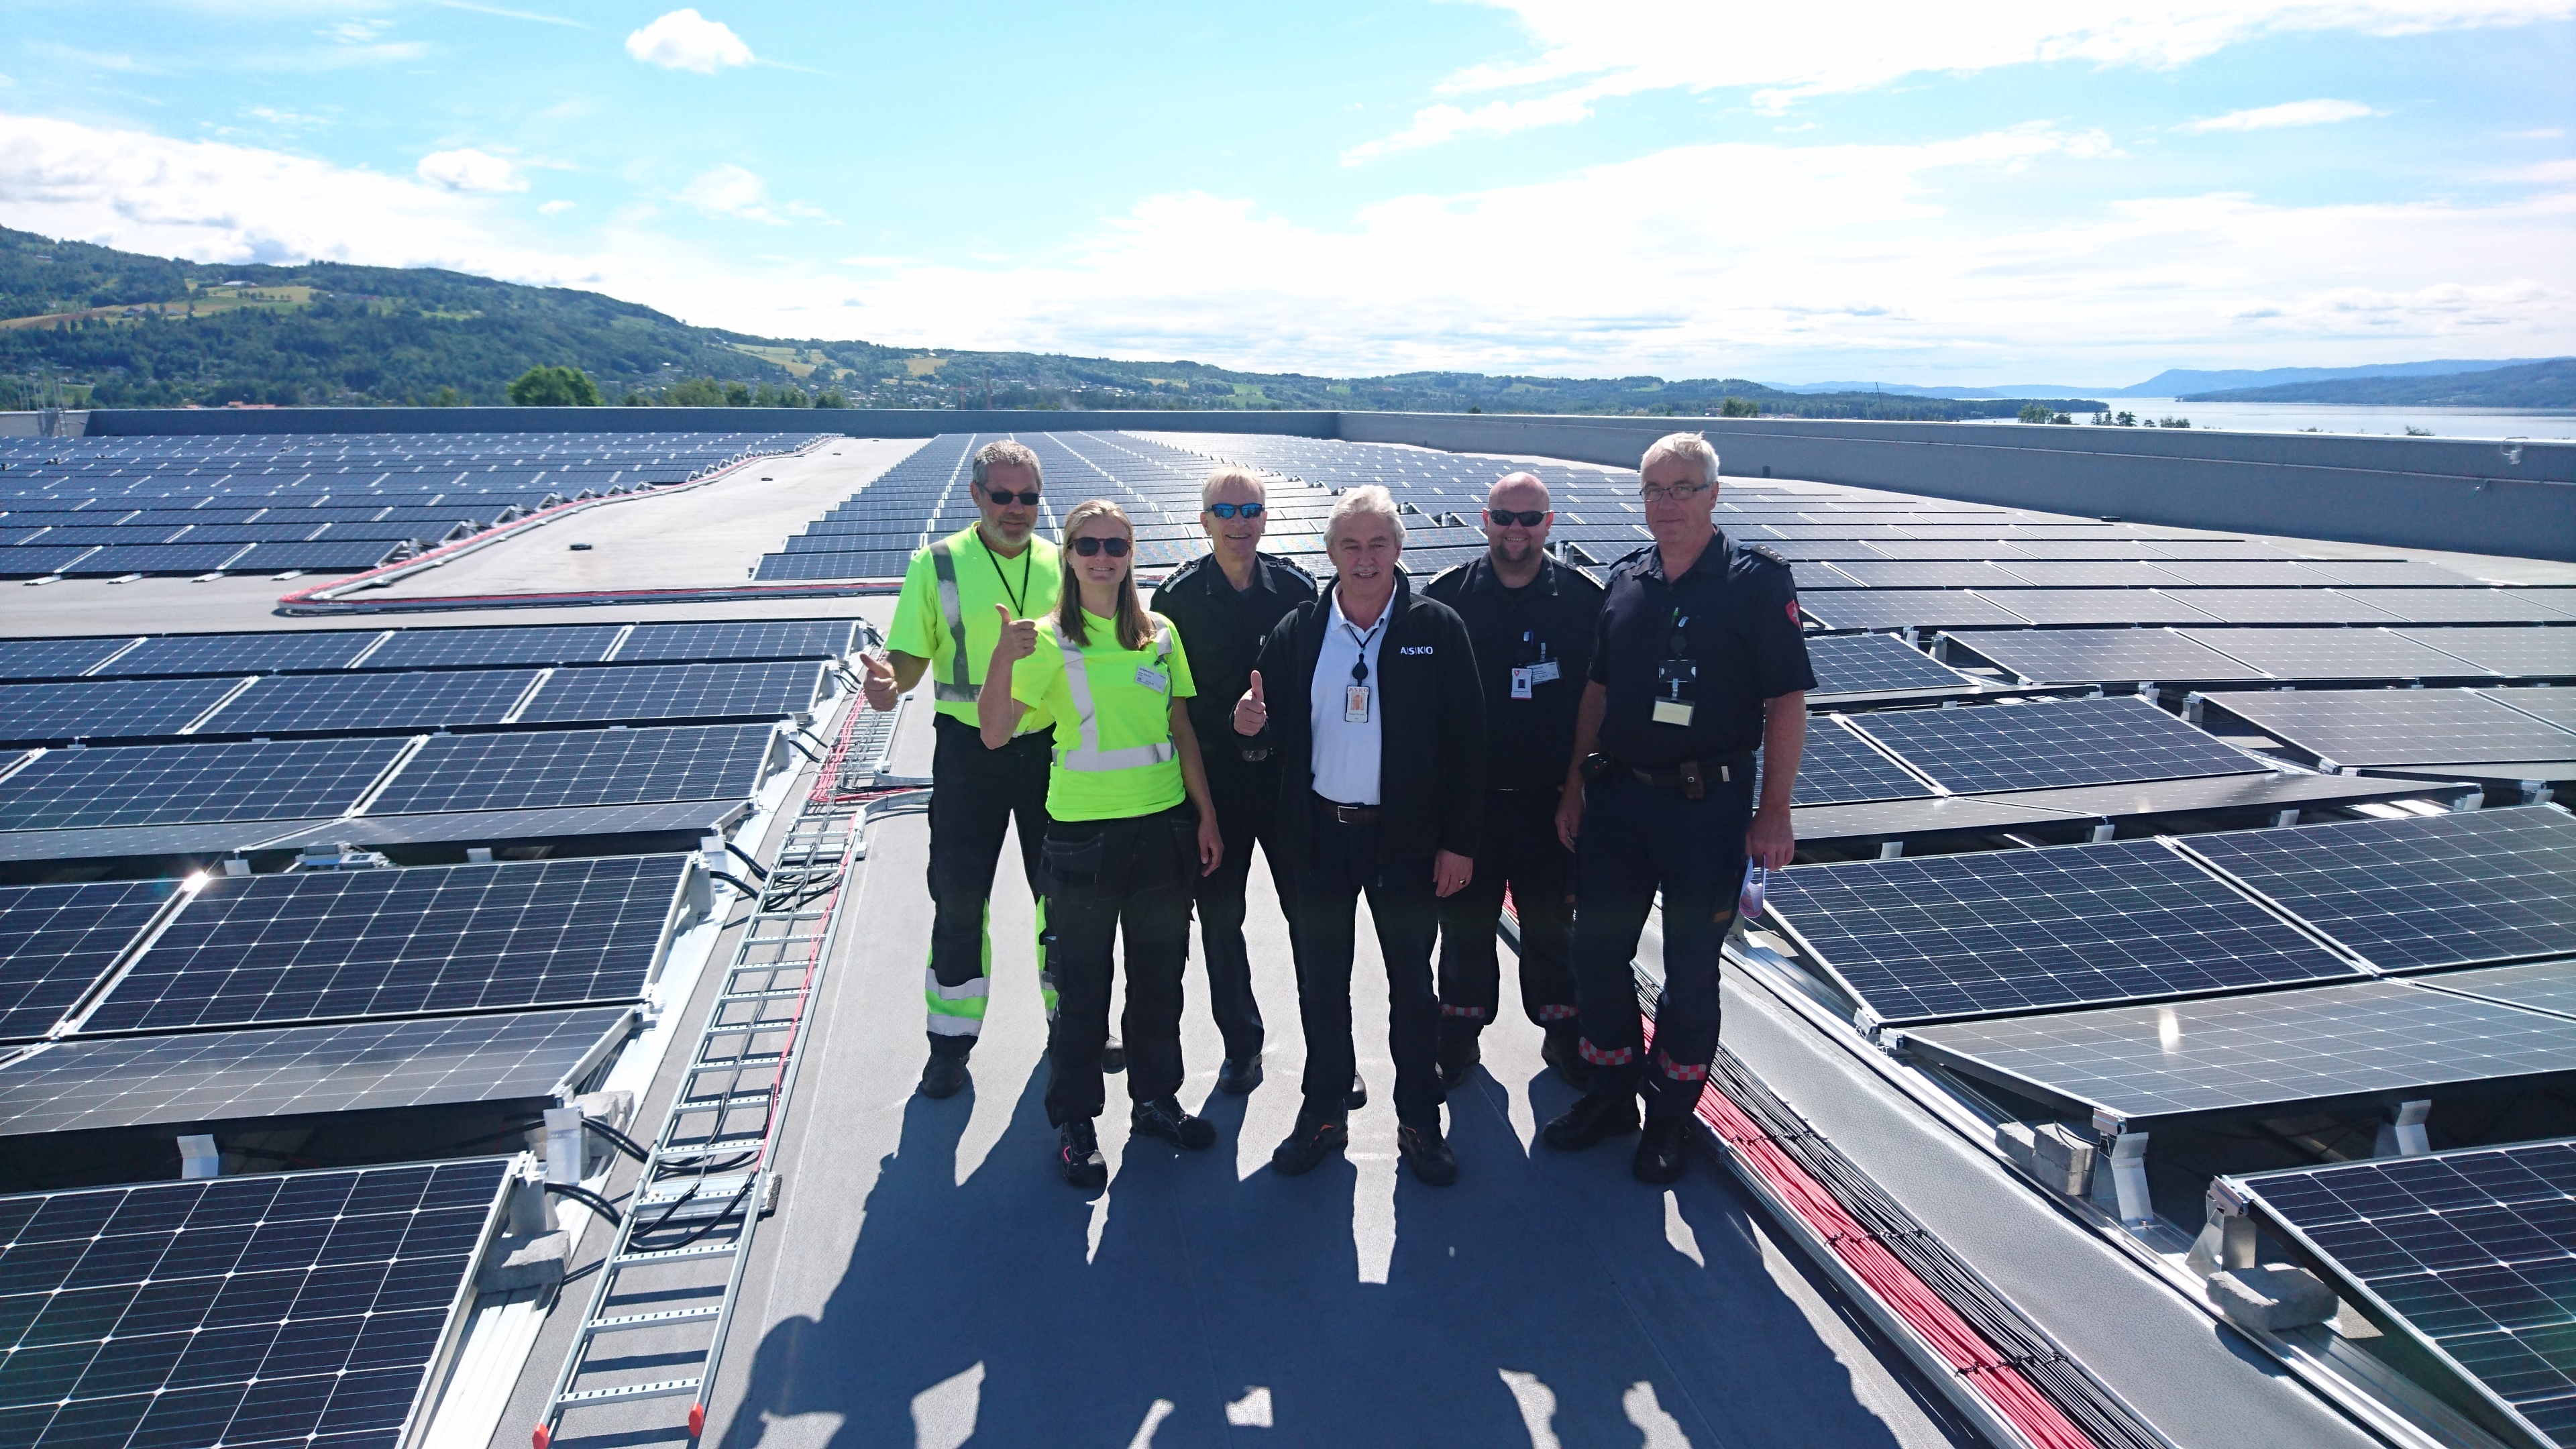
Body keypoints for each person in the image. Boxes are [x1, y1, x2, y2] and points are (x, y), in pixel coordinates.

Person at [1542, 433, 1812, 1185]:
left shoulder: (1757, 584)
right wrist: (1574, 785)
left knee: (1691, 975)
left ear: (1714, 494)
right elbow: (1596, 692)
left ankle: (1669, 1120)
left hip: (1708, 810)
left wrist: (1775, 811)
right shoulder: (1627, 581)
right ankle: (1611, 1093)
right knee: (1596, 956)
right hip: (1620, 801)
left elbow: (1787, 701)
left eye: (1683, 488)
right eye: (1654, 491)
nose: (1667, 504)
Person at [1232, 485, 1485, 1187]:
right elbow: (1270, 724)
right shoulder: (1301, 630)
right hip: (1319, 838)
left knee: (1412, 985)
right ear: (1331, 553)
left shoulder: (1437, 628)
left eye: (1378, 544)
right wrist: (1249, 727)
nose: (1365, 558)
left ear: (1398, 550)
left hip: (1405, 843)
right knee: (1322, 984)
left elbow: (1469, 745)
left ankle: (1419, 1120)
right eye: (1351, 545)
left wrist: (1459, 842)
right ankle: (1323, 1112)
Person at [979, 499, 1227, 1189]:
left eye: (1116, 545)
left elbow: (1181, 731)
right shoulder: (1048, 639)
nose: (1103, 556)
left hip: (1162, 831)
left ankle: (1154, 1101)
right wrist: (1003, 659)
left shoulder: (1162, 635)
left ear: (1131, 554)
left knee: (1160, 981)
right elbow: (996, 732)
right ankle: (1077, 1121)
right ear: (1069, 554)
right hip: (1083, 839)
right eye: (1089, 544)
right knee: (1083, 990)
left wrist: (1205, 817)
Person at [863, 439, 1117, 1099]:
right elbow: (910, 657)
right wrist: (890, 682)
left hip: (1048, 753)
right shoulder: (939, 564)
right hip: (969, 753)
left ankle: (1073, 1022)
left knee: (1062, 898)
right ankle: (949, 1045)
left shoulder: (1062, 562)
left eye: (1028, 497)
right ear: (976, 495)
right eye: (1002, 496)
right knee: (958, 898)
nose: (1015, 509)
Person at [1422, 472, 1603, 1091]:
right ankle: (1459, 1035)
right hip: (1468, 808)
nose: (1516, 531)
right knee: (1465, 928)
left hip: (1550, 803)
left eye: (1529, 519)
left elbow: (1600, 703)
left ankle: (1561, 1034)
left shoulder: (1583, 601)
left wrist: (1579, 791)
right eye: (1504, 518)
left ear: (1550, 523)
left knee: (1551, 927)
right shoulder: (1446, 600)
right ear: (1485, 520)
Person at [1150, 466, 1317, 1095]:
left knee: (1313, 919)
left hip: (1286, 787)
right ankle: (1241, 1046)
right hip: (1216, 787)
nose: (1239, 522)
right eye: (1226, 510)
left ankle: (1329, 1048)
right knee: (1221, 922)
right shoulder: (1176, 600)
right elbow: (1173, 708)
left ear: (1265, 518)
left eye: (1251, 510)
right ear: (1204, 521)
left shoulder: (1300, 590)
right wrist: (1233, 719)